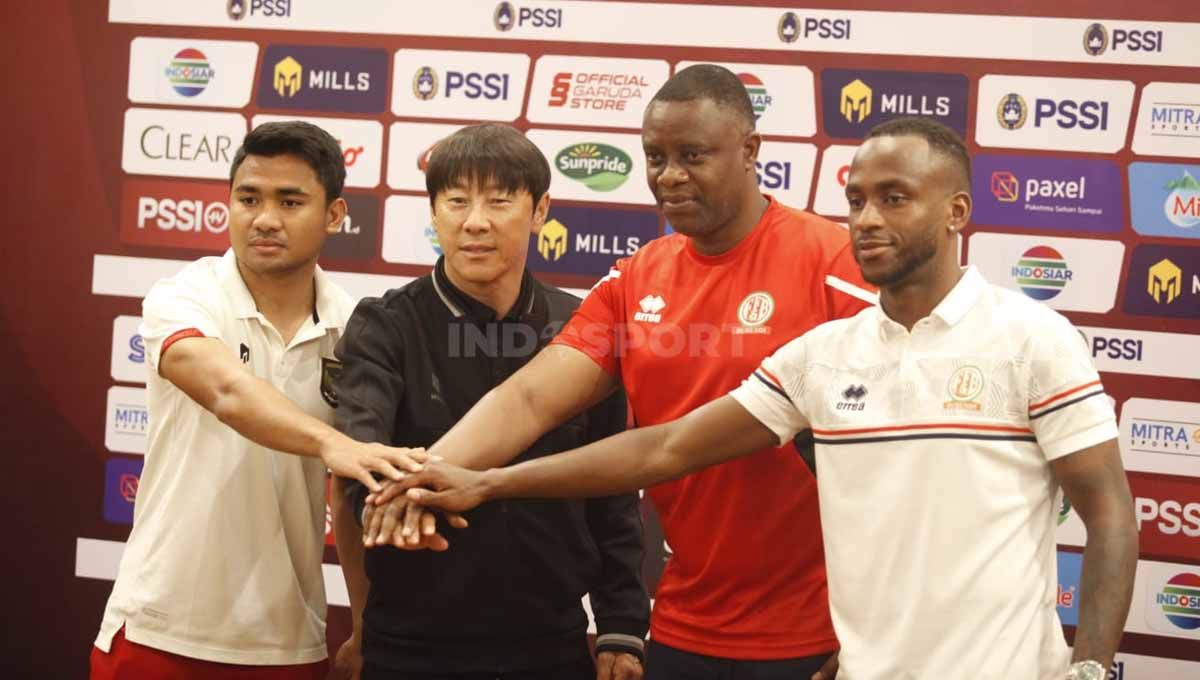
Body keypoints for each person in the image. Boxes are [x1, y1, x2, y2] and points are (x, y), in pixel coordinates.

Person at [397, 117, 1140, 680]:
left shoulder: (1032, 337)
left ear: (956, 212)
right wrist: (480, 480)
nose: (869, 219)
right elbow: (662, 447)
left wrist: (1094, 667)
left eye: (896, 198)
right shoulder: (820, 357)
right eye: (857, 200)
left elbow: (1108, 513)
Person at [366, 65, 875, 679]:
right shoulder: (634, 280)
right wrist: (421, 481)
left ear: (750, 151)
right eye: (655, 156)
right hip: (685, 626)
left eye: (693, 155)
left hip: (817, 634)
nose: (670, 175)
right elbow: (528, 398)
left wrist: (873, 630)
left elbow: (911, 468)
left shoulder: (837, 266)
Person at [90, 121, 425, 680]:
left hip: (287, 642)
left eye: (290, 201)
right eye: (249, 198)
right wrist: (330, 442)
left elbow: (351, 497)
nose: (265, 218)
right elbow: (224, 391)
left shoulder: (354, 328)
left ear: (335, 215)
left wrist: (366, 628)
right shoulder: (184, 296)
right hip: (158, 629)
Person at [329, 123, 649, 680]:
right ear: (434, 213)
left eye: (499, 201)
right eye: (455, 201)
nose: (475, 221)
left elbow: (611, 489)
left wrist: (621, 625)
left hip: (550, 645)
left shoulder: (581, 326)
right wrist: (387, 507)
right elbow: (361, 456)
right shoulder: (386, 324)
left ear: (540, 208)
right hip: (408, 644)